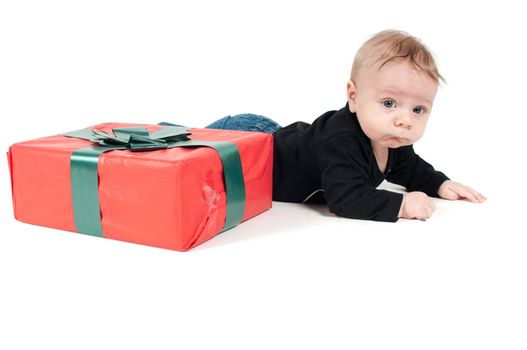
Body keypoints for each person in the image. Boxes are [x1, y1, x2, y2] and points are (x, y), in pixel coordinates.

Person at [160, 30, 486, 222]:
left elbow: (411, 169)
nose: (405, 119)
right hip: (252, 142)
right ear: (354, 97)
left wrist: (440, 184)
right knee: (189, 152)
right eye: (389, 103)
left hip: (279, 138)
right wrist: (402, 205)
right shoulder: (342, 139)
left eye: (419, 109)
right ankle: (159, 135)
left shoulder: (390, 138)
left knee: (193, 155)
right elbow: (345, 200)